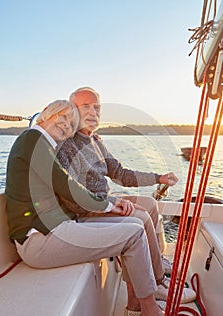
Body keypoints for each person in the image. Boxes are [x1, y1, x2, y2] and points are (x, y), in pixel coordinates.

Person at [5, 99, 193, 316]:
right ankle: (151, 315)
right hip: (40, 240)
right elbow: (66, 185)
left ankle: (135, 304)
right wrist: (108, 206)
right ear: (44, 115)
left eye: (71, 122)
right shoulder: (33, 138)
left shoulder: (44, 143)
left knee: (136, 224)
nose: (65, 124)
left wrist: (109, 204)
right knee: (134, 232)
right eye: (60, 117)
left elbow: (85, 179)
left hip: (55, 230)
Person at [57, 87, 196, 303]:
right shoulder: (66, 143)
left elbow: (121, 174)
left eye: (97, 107)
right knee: (139, 219)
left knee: (149, 204)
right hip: (85, 211)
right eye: (85, 106)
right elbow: (73, 198)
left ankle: (155, 262)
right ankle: (157, 283)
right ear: (72, 110)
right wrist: (112, 203)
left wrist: (158, 177)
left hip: (103, 203)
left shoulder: (96, 141)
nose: (93, 112)